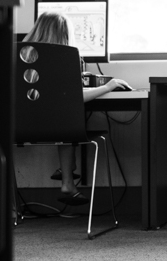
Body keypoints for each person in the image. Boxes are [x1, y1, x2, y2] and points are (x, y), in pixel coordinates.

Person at [23, 12, 131, 205]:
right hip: (60, 129)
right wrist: (107, 86)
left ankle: (67, 176)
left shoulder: (21, 56)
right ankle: (67, 177)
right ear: (65, 34)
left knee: (62, 121)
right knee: (67, 121)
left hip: (22, 129)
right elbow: (75, 98)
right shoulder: (63, 58)